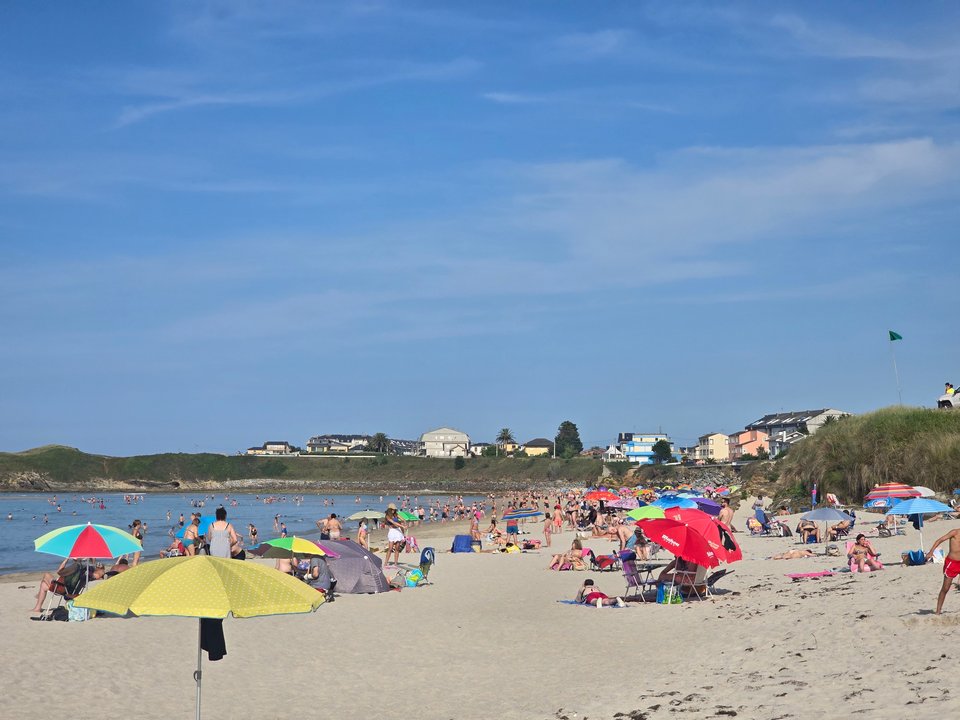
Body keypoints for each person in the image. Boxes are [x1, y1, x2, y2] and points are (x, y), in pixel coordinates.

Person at [926, 528, 960, 614]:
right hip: (952, 563)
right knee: (945, 588)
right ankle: (938, 611)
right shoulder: (955, 532)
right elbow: (939, 540)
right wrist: (931, 552)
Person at [382, 504, 406, 568]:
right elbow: (393, 522)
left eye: (394, 509)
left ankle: (395, 563)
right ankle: (385, 563)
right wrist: (402, 526)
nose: (393, 510)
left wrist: (404, 522)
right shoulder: (387, 516)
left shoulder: (396, 514)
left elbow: (403, 519)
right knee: (390, 548)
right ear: (389, 510)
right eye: (392, 509)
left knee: (397, 548)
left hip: (398, 531)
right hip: (392, 531)